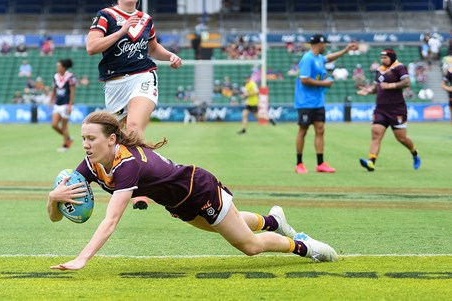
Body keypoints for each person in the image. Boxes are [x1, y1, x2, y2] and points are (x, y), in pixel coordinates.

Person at [47, 111, 338, 271]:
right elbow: (57, 217)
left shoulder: (127, 165)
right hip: (179, 203)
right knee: (225, 227)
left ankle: (305, 246)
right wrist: (52, 199)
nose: (85, 143)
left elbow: (110, 221)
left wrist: (82, 259)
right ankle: (274, 221)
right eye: (83, 137)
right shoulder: (90, 163)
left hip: (199, 189)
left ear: (111, 139)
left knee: (249, 246)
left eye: (90, 138)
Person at [87, 0, 182, 209]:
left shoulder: (146, 19)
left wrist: (170, 56)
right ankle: (117, 178)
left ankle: (140, 190)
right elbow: (91, 47)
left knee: (134, 128)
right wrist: (122, 31)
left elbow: (154, 49)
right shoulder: (106, 16)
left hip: (143, 76)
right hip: (114, 84)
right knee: (118, 139)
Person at [294, 34, 357, 174]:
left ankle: (320, 163)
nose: (326, 46)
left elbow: (329, 58)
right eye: (325, 44)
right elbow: (304, 80)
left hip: (318, 102)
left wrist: (346, 50)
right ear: (319, 44)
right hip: (305, 102)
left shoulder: (318, 58)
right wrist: (324, 83)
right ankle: (299, 164)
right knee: (303, 131)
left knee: (320, 130)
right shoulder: (308, 59)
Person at [357, 49, 421, 172]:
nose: (382, 60)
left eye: (385, 58)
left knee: (401, 138)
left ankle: (414, 153)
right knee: (376, 134)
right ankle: (371, 161)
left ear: (391, 57)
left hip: (397, 109)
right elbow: (377, 88)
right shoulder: (379, 70)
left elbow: (406, 82)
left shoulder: (399, 67)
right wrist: (368, 91)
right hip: (381, 108)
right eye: (381, 58)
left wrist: (391, 85)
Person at [48, 58, 77, 152]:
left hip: (65, 104)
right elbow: (54, 90)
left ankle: (66, 146)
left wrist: (70, 105)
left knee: (64, 126)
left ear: (63, 67)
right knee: (54, 125)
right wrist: (51, 101)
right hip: (57, 104)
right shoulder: (55, 76)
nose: (57, 67)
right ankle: (68, 138)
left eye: (59, 66)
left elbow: (72, 91)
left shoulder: (70, 77)